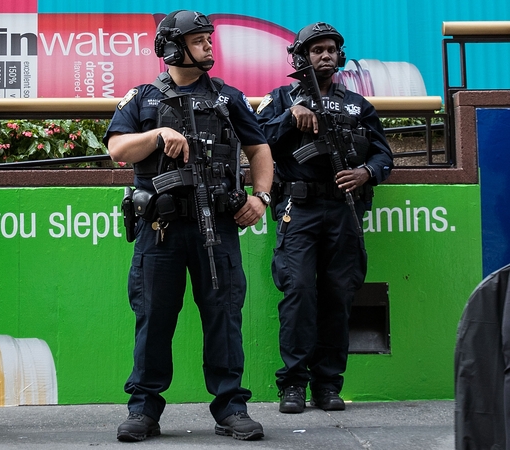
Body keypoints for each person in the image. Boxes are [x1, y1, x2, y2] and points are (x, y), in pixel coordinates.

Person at [105, 10, 273, 442]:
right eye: (199, 40)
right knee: (154, 317)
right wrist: (158, 135)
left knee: (223, 315)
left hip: (217, 224)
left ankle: (231, 408)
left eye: (208, 40)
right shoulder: (141, 97)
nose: (209, 46)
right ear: (173, 47)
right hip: (160, 228)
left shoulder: (227, 97)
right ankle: (143, 410)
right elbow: (118, 147)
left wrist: (261, 197)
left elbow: (260, 151)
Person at [255, 22, 393, 414]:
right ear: (301, 57)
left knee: (339, 294)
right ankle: (294, 384)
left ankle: (329, 384)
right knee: (298, 291)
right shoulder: (279, 98)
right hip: (298, 210)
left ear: (340, 55)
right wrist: (290, 115)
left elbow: (383, 155)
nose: (325, 55)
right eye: (316, 50)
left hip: (343, 210)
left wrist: (366, 173)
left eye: (331, 49)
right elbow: (256, 143)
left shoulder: (358, 106)